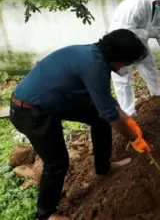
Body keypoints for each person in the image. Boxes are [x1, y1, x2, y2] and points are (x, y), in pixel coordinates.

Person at [9, 29, 152, 220]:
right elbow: (110, 114)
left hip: (51, 101)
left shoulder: (94, 55)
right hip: (31, 112)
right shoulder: (94, 65)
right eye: (128, 62)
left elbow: (104, 100)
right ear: (119, 57)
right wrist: (134, 138)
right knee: (57, 162)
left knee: (99, 119)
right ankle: (45, 215)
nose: (127, 66)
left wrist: (128, 121)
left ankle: (103, 167)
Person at [109, 0, 160, 116]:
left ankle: (157, 95)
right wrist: (148, 32)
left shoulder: (158, 11)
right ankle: (128, 111)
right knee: (123, 78)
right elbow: (124, 31)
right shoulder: (137, 4)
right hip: (120, 46)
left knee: (150, 68)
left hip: (139, 45)